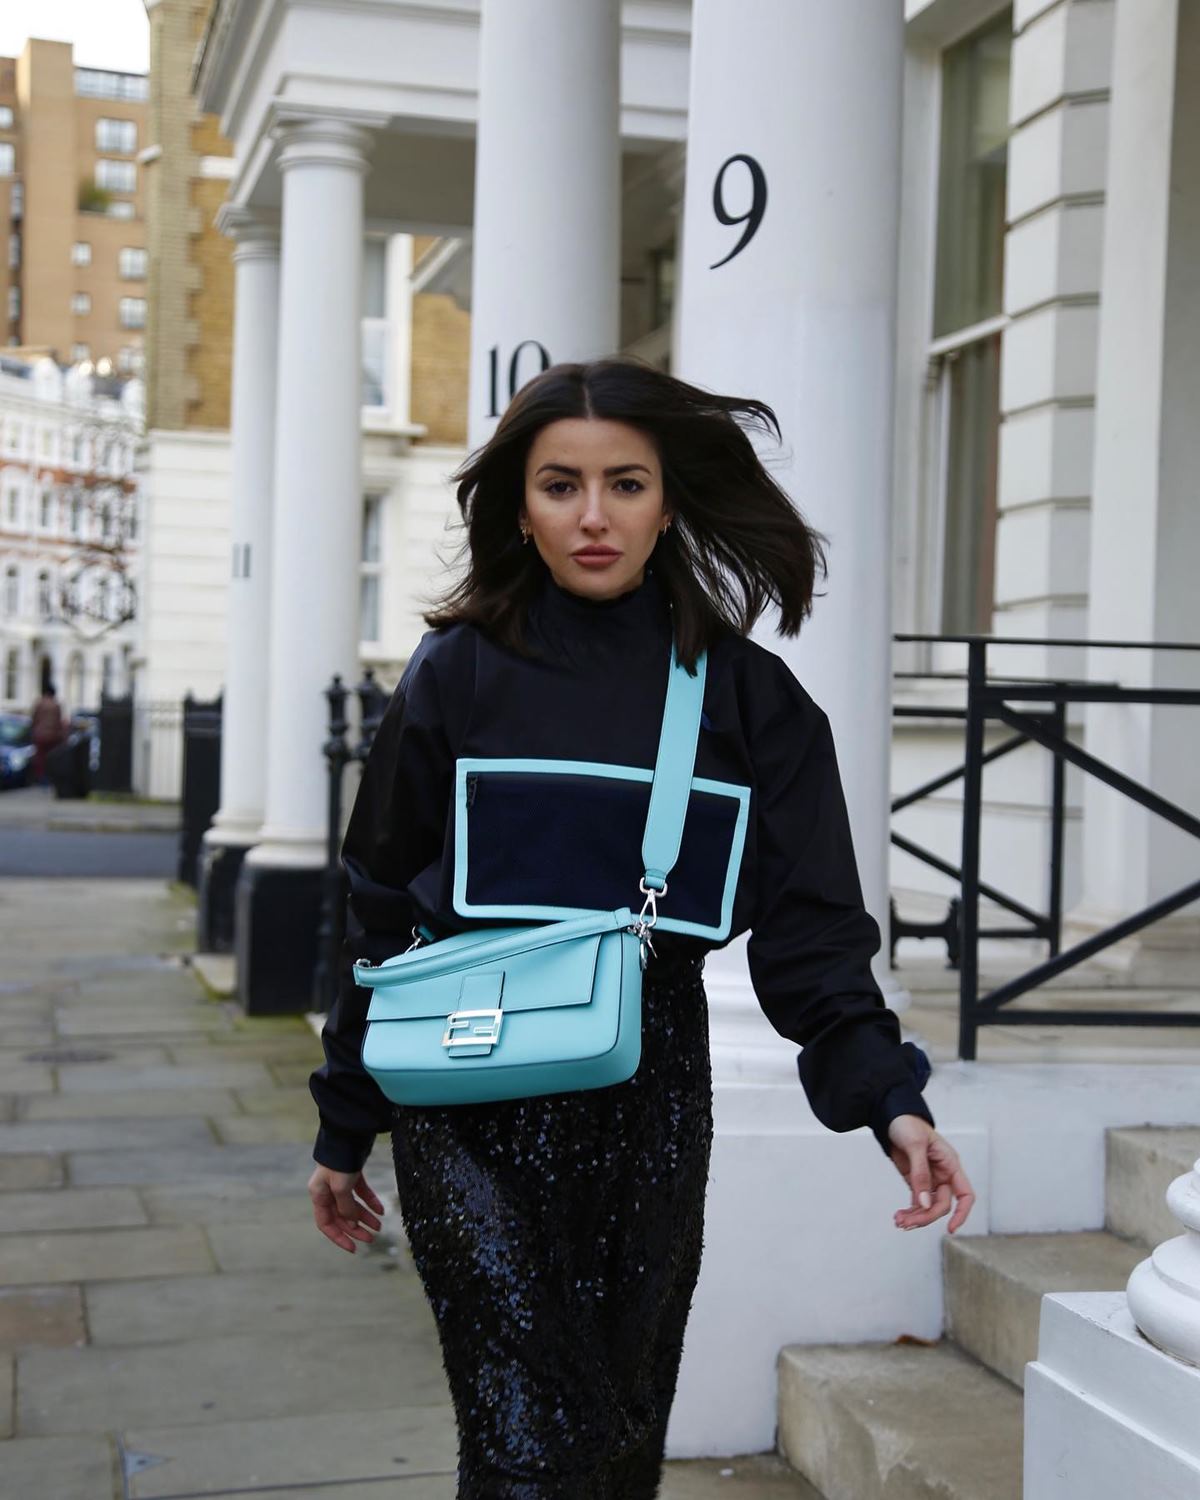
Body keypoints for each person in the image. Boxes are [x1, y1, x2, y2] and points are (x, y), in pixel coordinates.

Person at [307, 357, 975, 1498]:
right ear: (520, 504)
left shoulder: (753, 701)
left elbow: (815, 937)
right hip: (466, 1102)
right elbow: (377, 908)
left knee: (614, 1443)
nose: (594, 515)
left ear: (669, 501)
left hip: (650, 1102)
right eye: (561, 484)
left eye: (625, 483)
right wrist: (344, 1119)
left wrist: (889, 1100)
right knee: (524, 1439)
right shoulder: (454, 674)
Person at [29, 682, 66, 787]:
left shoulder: (39, 704)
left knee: (40, 758)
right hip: (53, 736)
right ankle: (50, 778)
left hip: (40, 735)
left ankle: (41, 778)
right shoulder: (56, 705)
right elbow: (59, 722)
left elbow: (34, 719)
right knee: (51, 758)